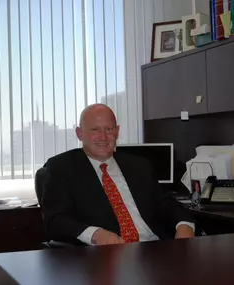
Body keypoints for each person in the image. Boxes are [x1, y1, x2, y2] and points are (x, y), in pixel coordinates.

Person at [40, 104, 194, 246]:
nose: (103, 137)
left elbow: (167, 204)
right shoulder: (62, 167)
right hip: (105, 259)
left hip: (154, 251)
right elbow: (55, 220)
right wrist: (94, 234)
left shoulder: (139, 166)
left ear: (117, 132)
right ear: (79, 133)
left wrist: (184, 225)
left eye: (109, 129)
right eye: (95, 130)